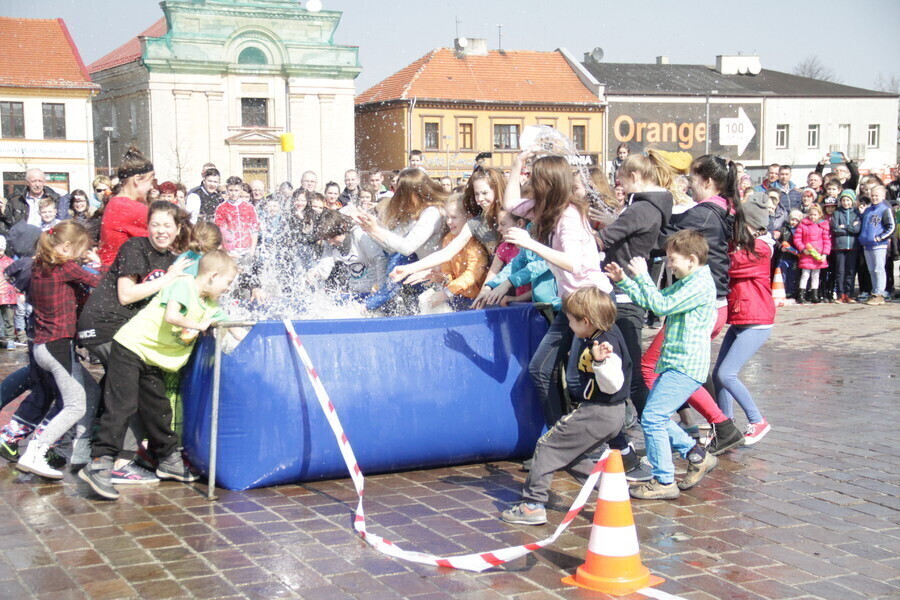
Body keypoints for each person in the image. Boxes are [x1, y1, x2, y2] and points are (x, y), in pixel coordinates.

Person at [79, 251, 240, 500]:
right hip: (131, 348)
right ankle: (100, 463)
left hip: (153, 359)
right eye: (228, 282)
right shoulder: (183, 285)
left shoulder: (210, 305)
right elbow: (172, 316)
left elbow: (233, 329)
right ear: (214, 276)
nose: (230, 288)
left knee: (158, 408)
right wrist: (199, 326)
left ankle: (168, 459)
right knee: (122, 406)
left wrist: (257, 343)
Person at [77, 202, 193, 482]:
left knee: (151, 387)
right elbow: (127, 295)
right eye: (155, 225)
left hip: (129, 334)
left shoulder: (172, 260)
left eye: (167, 225)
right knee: (130, 392)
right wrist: (169, 278)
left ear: (177, 229)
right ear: (147, 226)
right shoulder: (136, 248)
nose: (161, 231)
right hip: (104, 327)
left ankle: (166, 457)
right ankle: (111, 462)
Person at [501, 151, 613, 429]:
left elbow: (573, 264)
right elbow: (511, 205)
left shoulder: (569, 217)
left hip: (591, 303)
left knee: (580, 377)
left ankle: (607, 438)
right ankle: (558, 438)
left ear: (548, 185)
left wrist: (530, 243)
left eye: (535, 180)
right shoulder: (544, 208)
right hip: (571, 303)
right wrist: (516, 166)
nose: (531, 185)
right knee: (540, 369)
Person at [500, 287, 629, 525]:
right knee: (568, 454)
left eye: (571, 321)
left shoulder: (602, 345)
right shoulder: (604, 333)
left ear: (586, 321)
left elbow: (613, 383)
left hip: (597, 412)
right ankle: (612, 492)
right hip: (611, 415)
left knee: (548, 446)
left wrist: (600, 362)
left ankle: (532, 505)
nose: (569, 326)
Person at [605, 230, 718, 500]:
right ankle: (696, 455)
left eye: (672, 260)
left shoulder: (699, 284)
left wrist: (642, 275)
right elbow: (651, 301)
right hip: (676, 362)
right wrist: (626, 281)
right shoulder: (689, 278)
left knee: (653, 417)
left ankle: (664, 480)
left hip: (685, 365)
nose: (669, 265)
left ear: (691, 259)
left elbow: (662, 305)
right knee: (655, 417)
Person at [647, 155, 745, 455]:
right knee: (686, 371)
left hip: (701, 303)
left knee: (651, 367)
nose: (688, 184)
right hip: (714, 304)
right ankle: (705, 424)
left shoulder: (704, 214)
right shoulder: (717, 210)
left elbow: (663, 238)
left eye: (691, 179)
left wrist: (626, 226)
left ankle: (710, 428)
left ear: (707, 182)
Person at [15, 222, 102, 479]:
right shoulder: (65, 267)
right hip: (57, 346)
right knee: (76, 406)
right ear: (66, 247)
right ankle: (35, 452)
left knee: (91, 390)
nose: (80, 255)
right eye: (79, 250)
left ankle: (79, 450)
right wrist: (96, 260)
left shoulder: (40, 265)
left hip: (43, 346)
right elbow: (99, 281)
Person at [713, 195, 774, 446]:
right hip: (741, 319)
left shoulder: (760, 248)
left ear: (757, 228)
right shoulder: (740, 244)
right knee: (718, 375)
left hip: (758, 321)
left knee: (728, 374)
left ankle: (757, 420)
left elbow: (731, 265)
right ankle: (725, 426)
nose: (737, 229)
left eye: (742, 225)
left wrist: (715, 250)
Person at [418, 195, 488, 313]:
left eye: (454, 217)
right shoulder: (448, 239)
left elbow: (472, 275)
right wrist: (443, 277)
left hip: (478, 301)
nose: (449, 222)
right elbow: (449, 272)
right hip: (458, 296)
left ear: (468, 218)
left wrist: (446, 293)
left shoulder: (475, 242)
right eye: (447, 217)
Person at [306, 210, 387, 300]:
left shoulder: (359, 235)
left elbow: (380, 259)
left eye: (333, 238)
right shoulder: (330, 243)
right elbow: (325, 264)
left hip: (374, 289)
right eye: (326, 239)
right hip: (354, 291)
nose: (331, 242)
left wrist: (381, 286)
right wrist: (315, 272)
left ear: (343, 228)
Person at [98, 146, 156, 267]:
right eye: (151, 181)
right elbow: (167, 229)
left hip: (112, 272)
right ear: (137, 180)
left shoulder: (116, 202)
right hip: (119, 276)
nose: (152, 187)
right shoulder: (128, 207)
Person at [858, 185, 895, 306]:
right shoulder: (868, 209)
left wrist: (880, 237)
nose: (874, 198)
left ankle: (879, 293)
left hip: (879, 245)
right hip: (867, 245)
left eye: (876, 196)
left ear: (883, 196)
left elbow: (891, 227)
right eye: (872, 195)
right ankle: (874, 291)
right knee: (871, 270)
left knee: (879, 269)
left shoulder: (885, 209)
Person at [1, 168, 61, 236]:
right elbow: (8, 224)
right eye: (34, 181)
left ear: (44, 182)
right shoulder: (16, 200)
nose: (37, 185)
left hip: (46, 240)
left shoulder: (55, 199)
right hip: (22, 240)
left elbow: (62, 220)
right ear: (27, 182)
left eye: (40, 181)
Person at [214, 176, 259, 261]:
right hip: (230, 251)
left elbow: (254, 230)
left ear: (241, 190)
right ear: (227, 189)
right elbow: (220, 231)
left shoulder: (249, 207)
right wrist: (226, 250)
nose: (233, 193)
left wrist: (252, 250)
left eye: (236, 190)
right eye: (231, 190)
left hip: (247, 249)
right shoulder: (221, 208)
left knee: (247, 273)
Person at [794, 203, 831, 304]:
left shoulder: (823, 226)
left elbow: (826, 241)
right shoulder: (803, 225)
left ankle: (814, 294)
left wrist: (825, 254)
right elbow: (797, 239)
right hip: (807, 254)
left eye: (815, 215)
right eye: (811, 214)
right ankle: (801, 294)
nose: (812, 217)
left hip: (817, 255)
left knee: (816, 275)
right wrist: (802, 249)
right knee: (805, 274)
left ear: (819, 215)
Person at [831, 190, 860, 303]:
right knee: (840, 271)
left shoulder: (856, 213)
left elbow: (857, 229)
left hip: (853, 246)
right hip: (840, 246)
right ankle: (840, 294)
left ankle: (849, 294)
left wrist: (845, 227)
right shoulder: (837, 213)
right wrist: (850, 228)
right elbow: (835, 229)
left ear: (852, 201)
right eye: (843, 200)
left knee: (850, 272)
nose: (846, 202)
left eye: (848, 200)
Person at [0, 237, 17, 349]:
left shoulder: (10, 262)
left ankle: (10, 339)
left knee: (9, 320)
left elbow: (16, 279)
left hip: (7, 296)